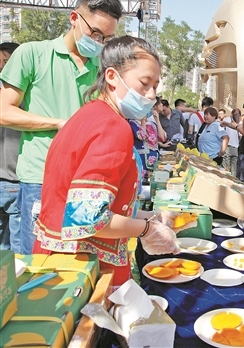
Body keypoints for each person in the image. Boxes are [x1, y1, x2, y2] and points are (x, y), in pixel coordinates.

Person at [32, 36, 187, 287]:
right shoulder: (113, 127)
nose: (151, 96)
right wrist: (146, 230)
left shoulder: (88, 114)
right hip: (84, 271)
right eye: (145, 84)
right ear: (113, 77)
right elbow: (88, 219)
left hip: (60, 263)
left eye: (156, 87)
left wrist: (150, 217)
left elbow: (101, 200)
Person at [0, 0, 123, 255]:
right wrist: (57, 124)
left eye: (108, 38)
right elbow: (3, 111)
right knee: (38, 264)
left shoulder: (101, 69)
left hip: (86, 182)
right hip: (40, 179)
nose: (100, 42)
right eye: (96, 34)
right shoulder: (32, 54)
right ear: (74, 18)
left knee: (79, 263)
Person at [0, 42, 20, 250]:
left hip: (12, 178)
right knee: (16, 252)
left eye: (6, 62)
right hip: (13, 178)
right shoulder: (21, 96)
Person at [129, 98, 165, 179]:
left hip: (154, 160)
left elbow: (162, 137)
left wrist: (157, 120)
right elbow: (142, 136)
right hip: (142, 161)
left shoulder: (152, 123)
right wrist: (143, 120)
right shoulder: (133, 123)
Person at [219, 108, 241, 176]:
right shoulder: (240, 123)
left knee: (226, 168)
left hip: (228, 146)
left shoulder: (227, 120)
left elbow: (221, 130)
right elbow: (240, 136)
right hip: (235, 147)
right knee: (233, 168)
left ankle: (226, 180)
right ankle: (233, 181)